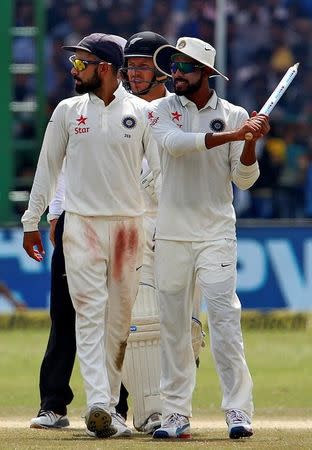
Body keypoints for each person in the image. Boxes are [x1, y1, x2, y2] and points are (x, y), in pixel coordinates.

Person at [22, 32, 161, 439]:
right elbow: (47, 169)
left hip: (127, 228)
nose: (73, 69)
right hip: (80, 225)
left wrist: (164, 220)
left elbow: (158, 174)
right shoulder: (67, 110)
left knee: (118, 321)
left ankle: (113, 410)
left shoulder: (141, 112)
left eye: (81, 63)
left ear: (104, 66)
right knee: (88, 314)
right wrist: (33, 219)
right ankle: (99, 403)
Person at [147, 37, 270, 440]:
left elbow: (245, 179)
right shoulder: (160, 110)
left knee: (224, 320)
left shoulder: (233, 114)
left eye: (184, 67)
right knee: (175, 326)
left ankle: (238, 410)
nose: (175, 74)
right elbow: (174, 146)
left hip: (216, 232)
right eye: (173, 66)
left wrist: (250, 143)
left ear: (206, 73)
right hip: (171, 234)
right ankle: (175, 414)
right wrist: (236, 135)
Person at [120, 31, 205, 435]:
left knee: (186, 327)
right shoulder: (120, 112)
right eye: (129, 66)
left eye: (142, 65)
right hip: (139, 227)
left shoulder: (182, 111)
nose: (134, 74)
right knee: (141, 323)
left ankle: (176, 410)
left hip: (188, 228)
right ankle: (151, 411)